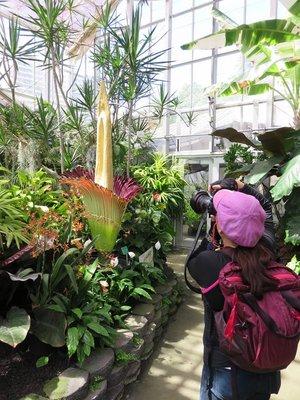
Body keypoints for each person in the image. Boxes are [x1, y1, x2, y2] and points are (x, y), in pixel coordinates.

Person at [187, 179, 281, 400]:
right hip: (266, 367)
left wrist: (214, 229)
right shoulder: (268, 250)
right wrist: (241, 187)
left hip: (227, 373)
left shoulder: (209, 264)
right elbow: (265, 208)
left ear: (220, 224)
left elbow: (195, 258)